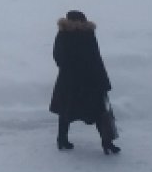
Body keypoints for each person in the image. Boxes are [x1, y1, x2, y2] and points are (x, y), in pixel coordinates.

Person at [49, 10, 119, 154]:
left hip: (70, 80)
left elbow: (57, 56)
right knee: (99, 111)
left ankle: (62, 140)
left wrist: (66, 68)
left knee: (66, 110)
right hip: (90, 80)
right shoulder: (87, 34)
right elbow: (96, 58)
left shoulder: (64, 34)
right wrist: (103, 81)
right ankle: (107, 143)